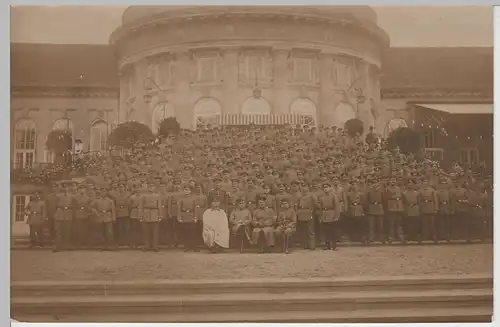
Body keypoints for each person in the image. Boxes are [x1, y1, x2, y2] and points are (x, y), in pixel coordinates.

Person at [91, 187, 117, 251]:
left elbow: (113, 210)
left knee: (109, 233)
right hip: (100, 218)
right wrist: (95, 212)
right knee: (101, 233)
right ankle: (103, 246)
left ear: (107, 192)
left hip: (108, 218)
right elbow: (90, 206)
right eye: (102, 191)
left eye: (104, 191)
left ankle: (110, 246)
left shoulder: (110, 201)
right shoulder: (97, 200)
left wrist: (113, 219)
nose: (103, 193)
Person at [318, 182, 341, 250]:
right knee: (326, 231)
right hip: (325, 214)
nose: (325, 189)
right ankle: (327, 245)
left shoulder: (334, 196)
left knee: (333, 231)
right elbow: (320, 208)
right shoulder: (321, 197)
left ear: (330, 188)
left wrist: (336, 216)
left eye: (327, 187)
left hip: (332, 214)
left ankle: (334, 245)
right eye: (324, 187)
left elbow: (337, 207)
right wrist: (320, 216)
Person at [140, 183, 162, 252]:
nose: (151, 188)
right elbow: (141, 206)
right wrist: (141, 216)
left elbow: (159, 207)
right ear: (148, 188)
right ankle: (147, 246)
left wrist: (160, 216)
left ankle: (155, 246)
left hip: (155, 214)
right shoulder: (143, 196)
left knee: (155, 232)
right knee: (146, 232)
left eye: (152, 187)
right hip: (146, 214)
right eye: (150, 187)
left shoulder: (157, 196)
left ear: (155, 188)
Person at [53, 182, 74, 252]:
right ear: (61, 188)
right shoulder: (57, 196)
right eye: (64, 187)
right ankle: (58, 246)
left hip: (68, 214)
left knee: (67, 231)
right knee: (58, 231)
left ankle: (67, 246)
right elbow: (54, 206)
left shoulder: (72, 196)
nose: (66, 189)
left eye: (67, 187)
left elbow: (74, 206)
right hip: (59, 214)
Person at [177, 185, 199, 252]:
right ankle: (186, 246)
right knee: (185, 232)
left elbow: (195, 208)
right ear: (184, 191)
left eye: (188, 190)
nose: (187, 191)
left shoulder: (193, 198)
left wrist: (195, 217)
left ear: (190, 191)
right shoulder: (181, 199)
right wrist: (179, 217)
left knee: (192, 232)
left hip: (191, 216)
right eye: (185, 190)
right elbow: (179, 209)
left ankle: (193, 246)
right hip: (184, 216)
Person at [296, 183, 316, 250]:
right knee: (304, 230)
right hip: (302, 214)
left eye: (305, 187)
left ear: (308, 188)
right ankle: (305, 245)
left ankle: (312, 245)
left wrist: (312, 211)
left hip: (309, 213)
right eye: (303, 187)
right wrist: (298, 211)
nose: (304, 189)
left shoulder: (312, 195)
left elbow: (315, 204)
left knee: (310, 230)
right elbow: (297, 205)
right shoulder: (300, 197)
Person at [72, 184, 91, 249]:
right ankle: (78, 243)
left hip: (86, 215)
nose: (82, 190)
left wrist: (86, 208)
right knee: (78, 230)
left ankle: (85, 243)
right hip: (78, 215)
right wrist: (80, 207)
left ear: (85, 190)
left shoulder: (88, 198)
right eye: (80, 189)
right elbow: (73, 206)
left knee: (86, 229)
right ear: (78, 190)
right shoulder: (75, 197)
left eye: (83, 189)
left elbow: (90, 206)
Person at [128, 184, 143, 248]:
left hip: (141, 214)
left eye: (139, 188)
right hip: (134, 213)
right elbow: (129, 206)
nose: (137, 189)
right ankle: (133, 243)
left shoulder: (143, 196)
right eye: (136, 188)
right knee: (134, 229)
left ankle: (140, 243)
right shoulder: (132, 197)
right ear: (134, 189)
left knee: (140, 229)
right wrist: (134, 207)